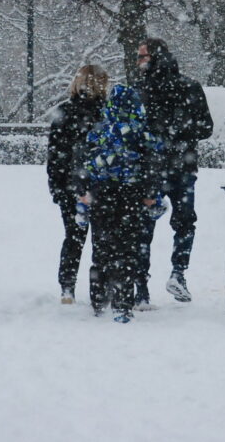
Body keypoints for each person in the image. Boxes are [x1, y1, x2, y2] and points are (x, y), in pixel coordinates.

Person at [75, 85, 164, 323]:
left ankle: (99, 297)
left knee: (102, 248)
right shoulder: (140, 131)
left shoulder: (100, 131)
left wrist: (83, 191)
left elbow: (83, 162)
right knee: (127, 249)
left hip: (102, 194)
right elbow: (153, 164)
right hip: (131, 195)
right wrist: (151, 192)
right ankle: (123, 303)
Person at [135, 37, 213, 305]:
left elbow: (134, 130)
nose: (138, 62)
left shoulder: (141, 90)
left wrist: (157, 137)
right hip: (182, 166)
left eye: (142, 57)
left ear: (154, 58)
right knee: (185, 222)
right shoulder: (189, 87)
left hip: (150, 169)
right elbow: (206, 127)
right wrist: (181, 134)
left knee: (144, 224)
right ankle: (178, 273)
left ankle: (140, 287)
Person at [47, 64, 109, 304]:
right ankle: (99, 287)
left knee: (73, 236)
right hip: (101, 184)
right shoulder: (106, 113)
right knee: (100, 239)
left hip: (70, 185)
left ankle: (67, 285)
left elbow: (55, 155)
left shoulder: (64, 112)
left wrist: (57, 187)